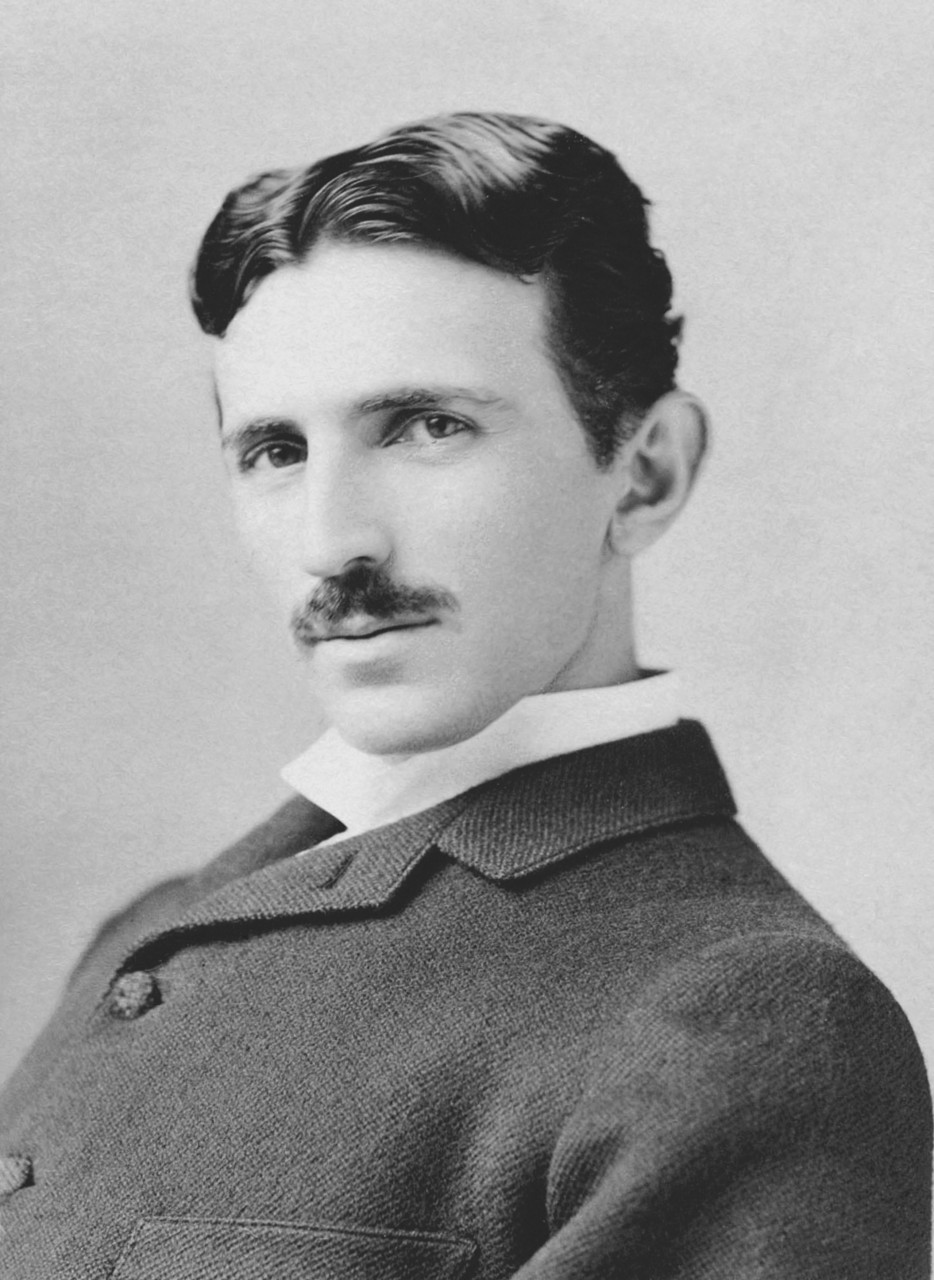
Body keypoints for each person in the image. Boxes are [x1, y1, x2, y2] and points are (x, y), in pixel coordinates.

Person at [0, 111, 929, 1279]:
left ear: (643, 475)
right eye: (276, 450)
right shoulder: (156, 924)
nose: (332, 541)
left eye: (427, 426)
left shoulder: (743, 1019)